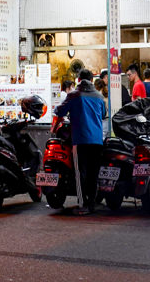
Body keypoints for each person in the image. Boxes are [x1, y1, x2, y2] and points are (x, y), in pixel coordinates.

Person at [53, 68, 106, 214]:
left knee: (80, 172)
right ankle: (92, 204)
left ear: (78, 79)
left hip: (80, 139)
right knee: (93, 172)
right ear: (92, 80)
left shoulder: (73, 95)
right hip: (97, 140)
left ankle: (82, 204)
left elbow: (59, 111)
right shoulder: (99, 97)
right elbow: (103, 114)